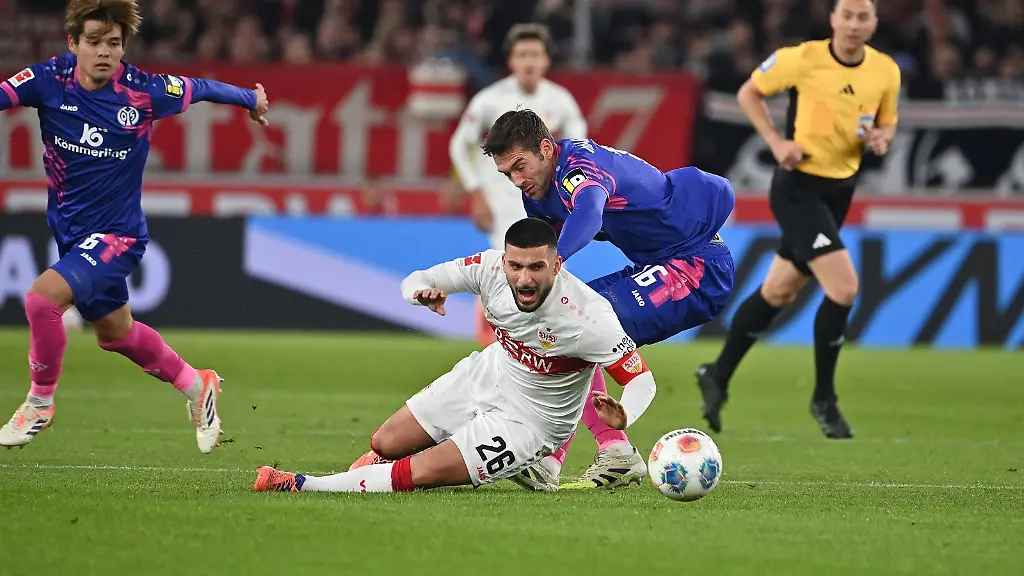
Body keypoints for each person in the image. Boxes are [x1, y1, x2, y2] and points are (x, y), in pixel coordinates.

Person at [0, 0, 270, 452]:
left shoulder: (143, 91)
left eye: (114, 43)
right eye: (94, 42)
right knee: (116, 335)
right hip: (72, 237)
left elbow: (200, 87)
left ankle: (39, 403)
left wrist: (251, 100)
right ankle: (197, 384)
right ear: (73, 43)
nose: (104, 52)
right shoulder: (48, 79)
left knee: (41, 300)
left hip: (118, 237)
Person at [254, 218, 658, 493]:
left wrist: (625, 414)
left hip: (530, 425)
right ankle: (382, 468)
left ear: (556, 265)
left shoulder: (588, 317)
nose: (524, 278)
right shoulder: (488, 269)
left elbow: (641, 379)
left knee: (422, 473)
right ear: (504, 261)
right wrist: (419, 294)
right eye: (516, 266)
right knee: (386, 442)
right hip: (487, 375)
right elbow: (417, 279)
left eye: (536, 267)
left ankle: (304, 484)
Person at [476, 109, 736, 491]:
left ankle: (600, 453)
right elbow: (538, 254)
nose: (517, 180)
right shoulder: (539, 193)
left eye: (520, 166)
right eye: (507, 174)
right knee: (560, 324)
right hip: (661, 262)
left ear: (545, 149)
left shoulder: (578, 168)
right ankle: (560, 459)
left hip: (696, 268)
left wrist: (553, 262)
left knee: (578, 323)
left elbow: (589, 214)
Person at [695, 0, 900, 439]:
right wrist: (776, 142)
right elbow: (748, 93)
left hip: (840, 191)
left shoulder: (885, 71)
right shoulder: (802, 59)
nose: (854, 24)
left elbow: (887, 125)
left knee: (778, 291)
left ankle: (717, 372)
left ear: (874, 23)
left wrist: (882, 139)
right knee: (844, 288)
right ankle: (824, 399)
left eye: (863, 17)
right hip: (797, 188)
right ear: (833, 19)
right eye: (847, 15)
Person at [448, 23, 586, 346]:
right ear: (511, 60)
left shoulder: (560, 100)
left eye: (535, 54)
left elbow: (579, 147)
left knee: (539, 265)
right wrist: (475, 190)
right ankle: (493, 337)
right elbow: (459, 145)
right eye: (522, 54)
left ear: (546, 60)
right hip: (502, 199)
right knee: (506, 261)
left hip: (544, 200)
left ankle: (535, 340)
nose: (529, 61)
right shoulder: (490, 100)